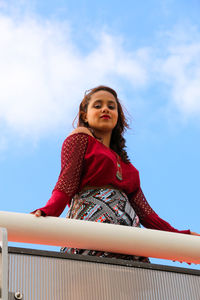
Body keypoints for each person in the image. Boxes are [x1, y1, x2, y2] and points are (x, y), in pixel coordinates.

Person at [32, 85, 199, 262]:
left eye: (111, 107)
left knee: (129, 287)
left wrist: (180, 238)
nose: (105, 109)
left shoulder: (127, 166)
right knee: (87, 284)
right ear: (84, 115)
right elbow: (66, 183)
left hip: (129, 240)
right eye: (97, 105)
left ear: (117, 116)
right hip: (89, 229)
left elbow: (148, 215)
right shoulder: (80, 138)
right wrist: (47, 211)